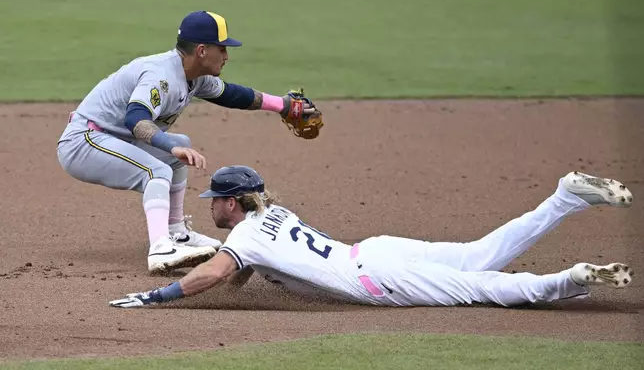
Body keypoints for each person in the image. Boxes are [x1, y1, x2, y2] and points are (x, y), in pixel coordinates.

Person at [109, 167, 635, 308]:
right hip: (377, 249)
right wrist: (214, 258)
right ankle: (565, 196)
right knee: (478, 254)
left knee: (479, 286)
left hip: (376, 278)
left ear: (231, 202)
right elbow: (235, 273)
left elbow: (221, 273)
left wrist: (160, 295)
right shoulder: (272, 213)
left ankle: (567, 280)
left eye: (215, 201)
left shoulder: (244, 241)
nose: (213, 208)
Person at [56, 11, 318, 274]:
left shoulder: (194, 76)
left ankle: (176, 232)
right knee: (158, 168)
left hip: (112, 138)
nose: (226, 56)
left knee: (180, 143)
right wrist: (170, 146)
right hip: (85, 141)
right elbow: (136, 119)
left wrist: (281, 105)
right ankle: (160, 248)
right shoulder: (161, 76)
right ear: (202, 50)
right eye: (222, 48)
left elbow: (232, 94)